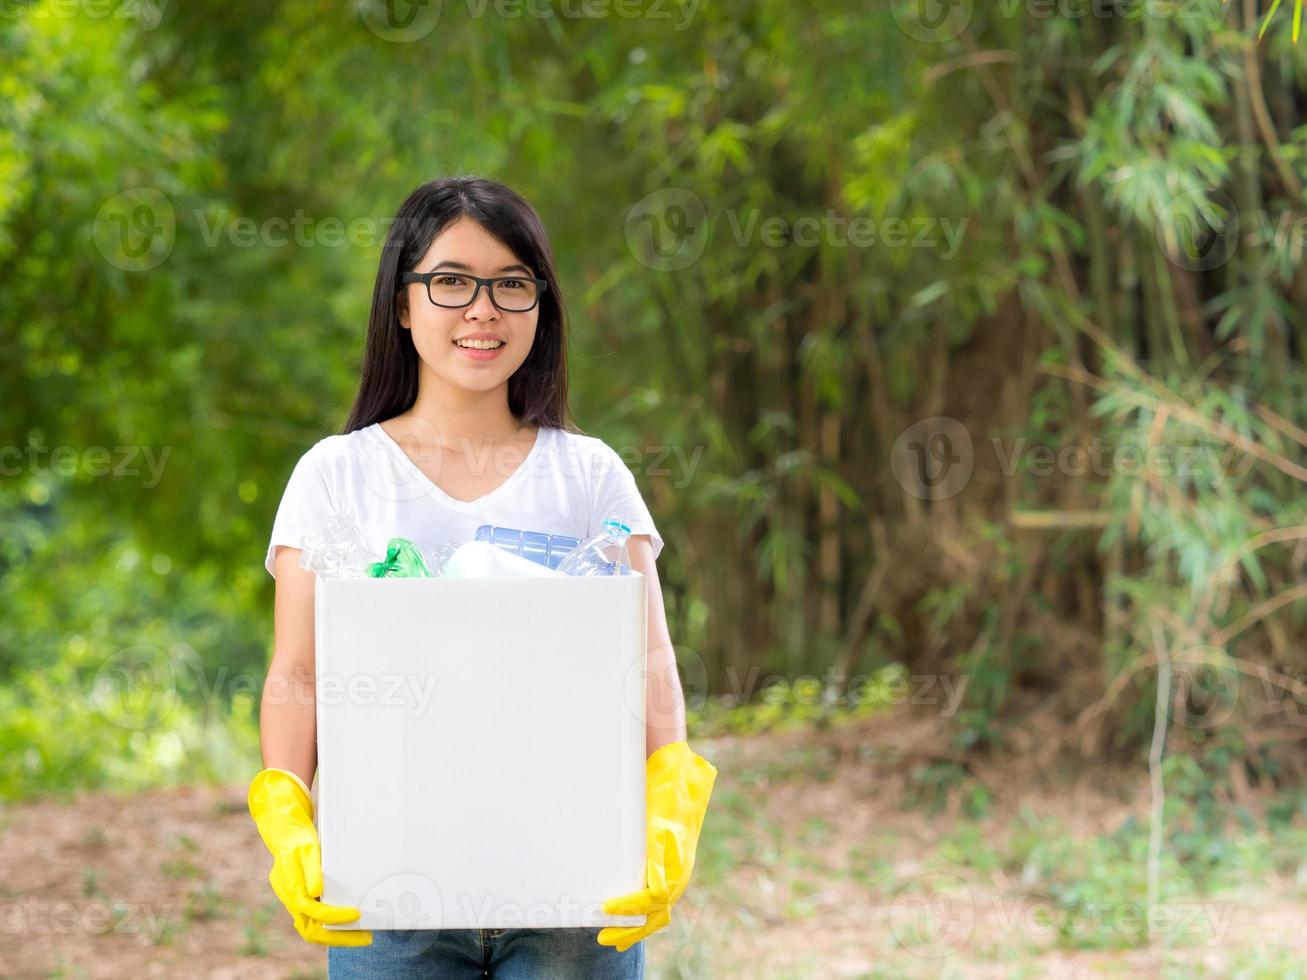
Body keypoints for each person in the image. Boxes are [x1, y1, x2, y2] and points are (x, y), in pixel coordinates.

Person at [245, 176, 718, 979]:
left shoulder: (591, 476)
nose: (483, 310)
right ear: (402, 304)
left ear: (542, 305)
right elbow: (299, 671)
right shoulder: (336, 476)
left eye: (511, 285)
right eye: (452, 282)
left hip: (575, 893)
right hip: (391, 890)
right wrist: (289, 805)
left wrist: (669, 799)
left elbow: (650, 664)